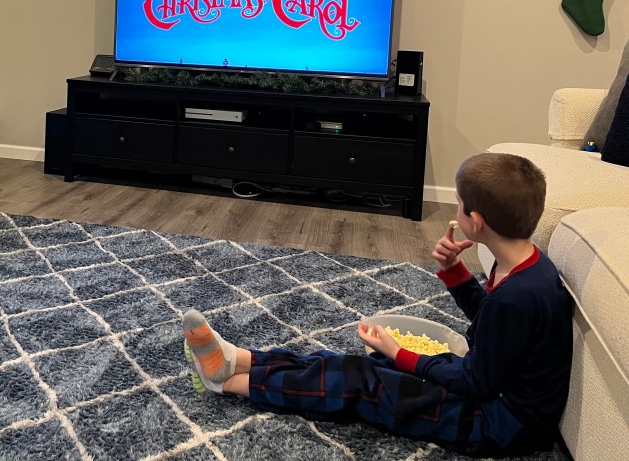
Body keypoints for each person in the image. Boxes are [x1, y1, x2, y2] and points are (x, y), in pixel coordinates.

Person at [182, 152, 573, 457]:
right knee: (350, 364)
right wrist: (454, 271)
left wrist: (399, 353)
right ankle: (240, 359)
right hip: (491, 391)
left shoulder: (518, 297)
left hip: (496, 424)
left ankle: (227, 382)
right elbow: (491, 325)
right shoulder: (524, 264)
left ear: (475, 221)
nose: (455, 211)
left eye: (457, 204)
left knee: (360, 384)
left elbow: (475, 381)